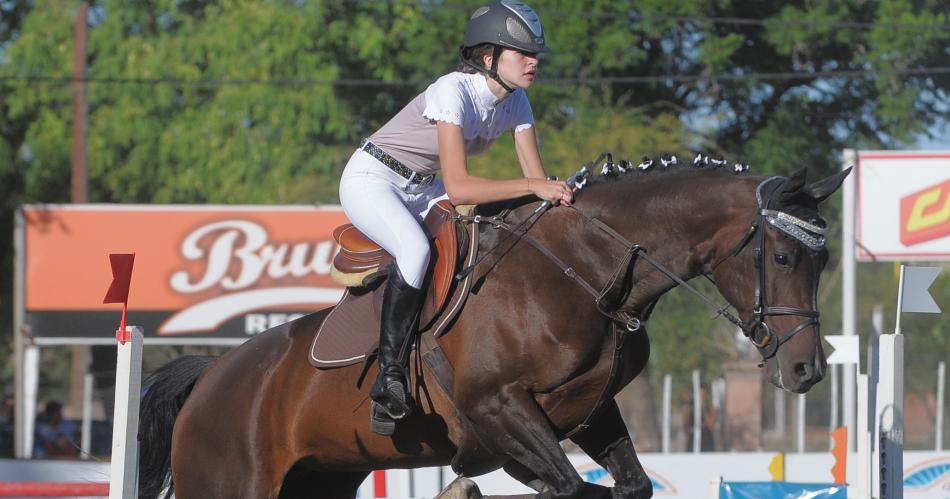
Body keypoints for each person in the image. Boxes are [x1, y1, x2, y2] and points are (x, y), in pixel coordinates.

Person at [339, 0, 573, 435]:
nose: (533, 62)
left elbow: (535, 183)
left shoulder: (517, 102)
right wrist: (533, 187)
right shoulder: (453, 90)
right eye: (522, 53)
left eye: (535, 54)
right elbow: (463, 187)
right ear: (489, 59)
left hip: (424, 186)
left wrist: (560, 195)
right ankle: (388, 377)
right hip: (373, 179)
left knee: (496, 228)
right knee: (414, 249)